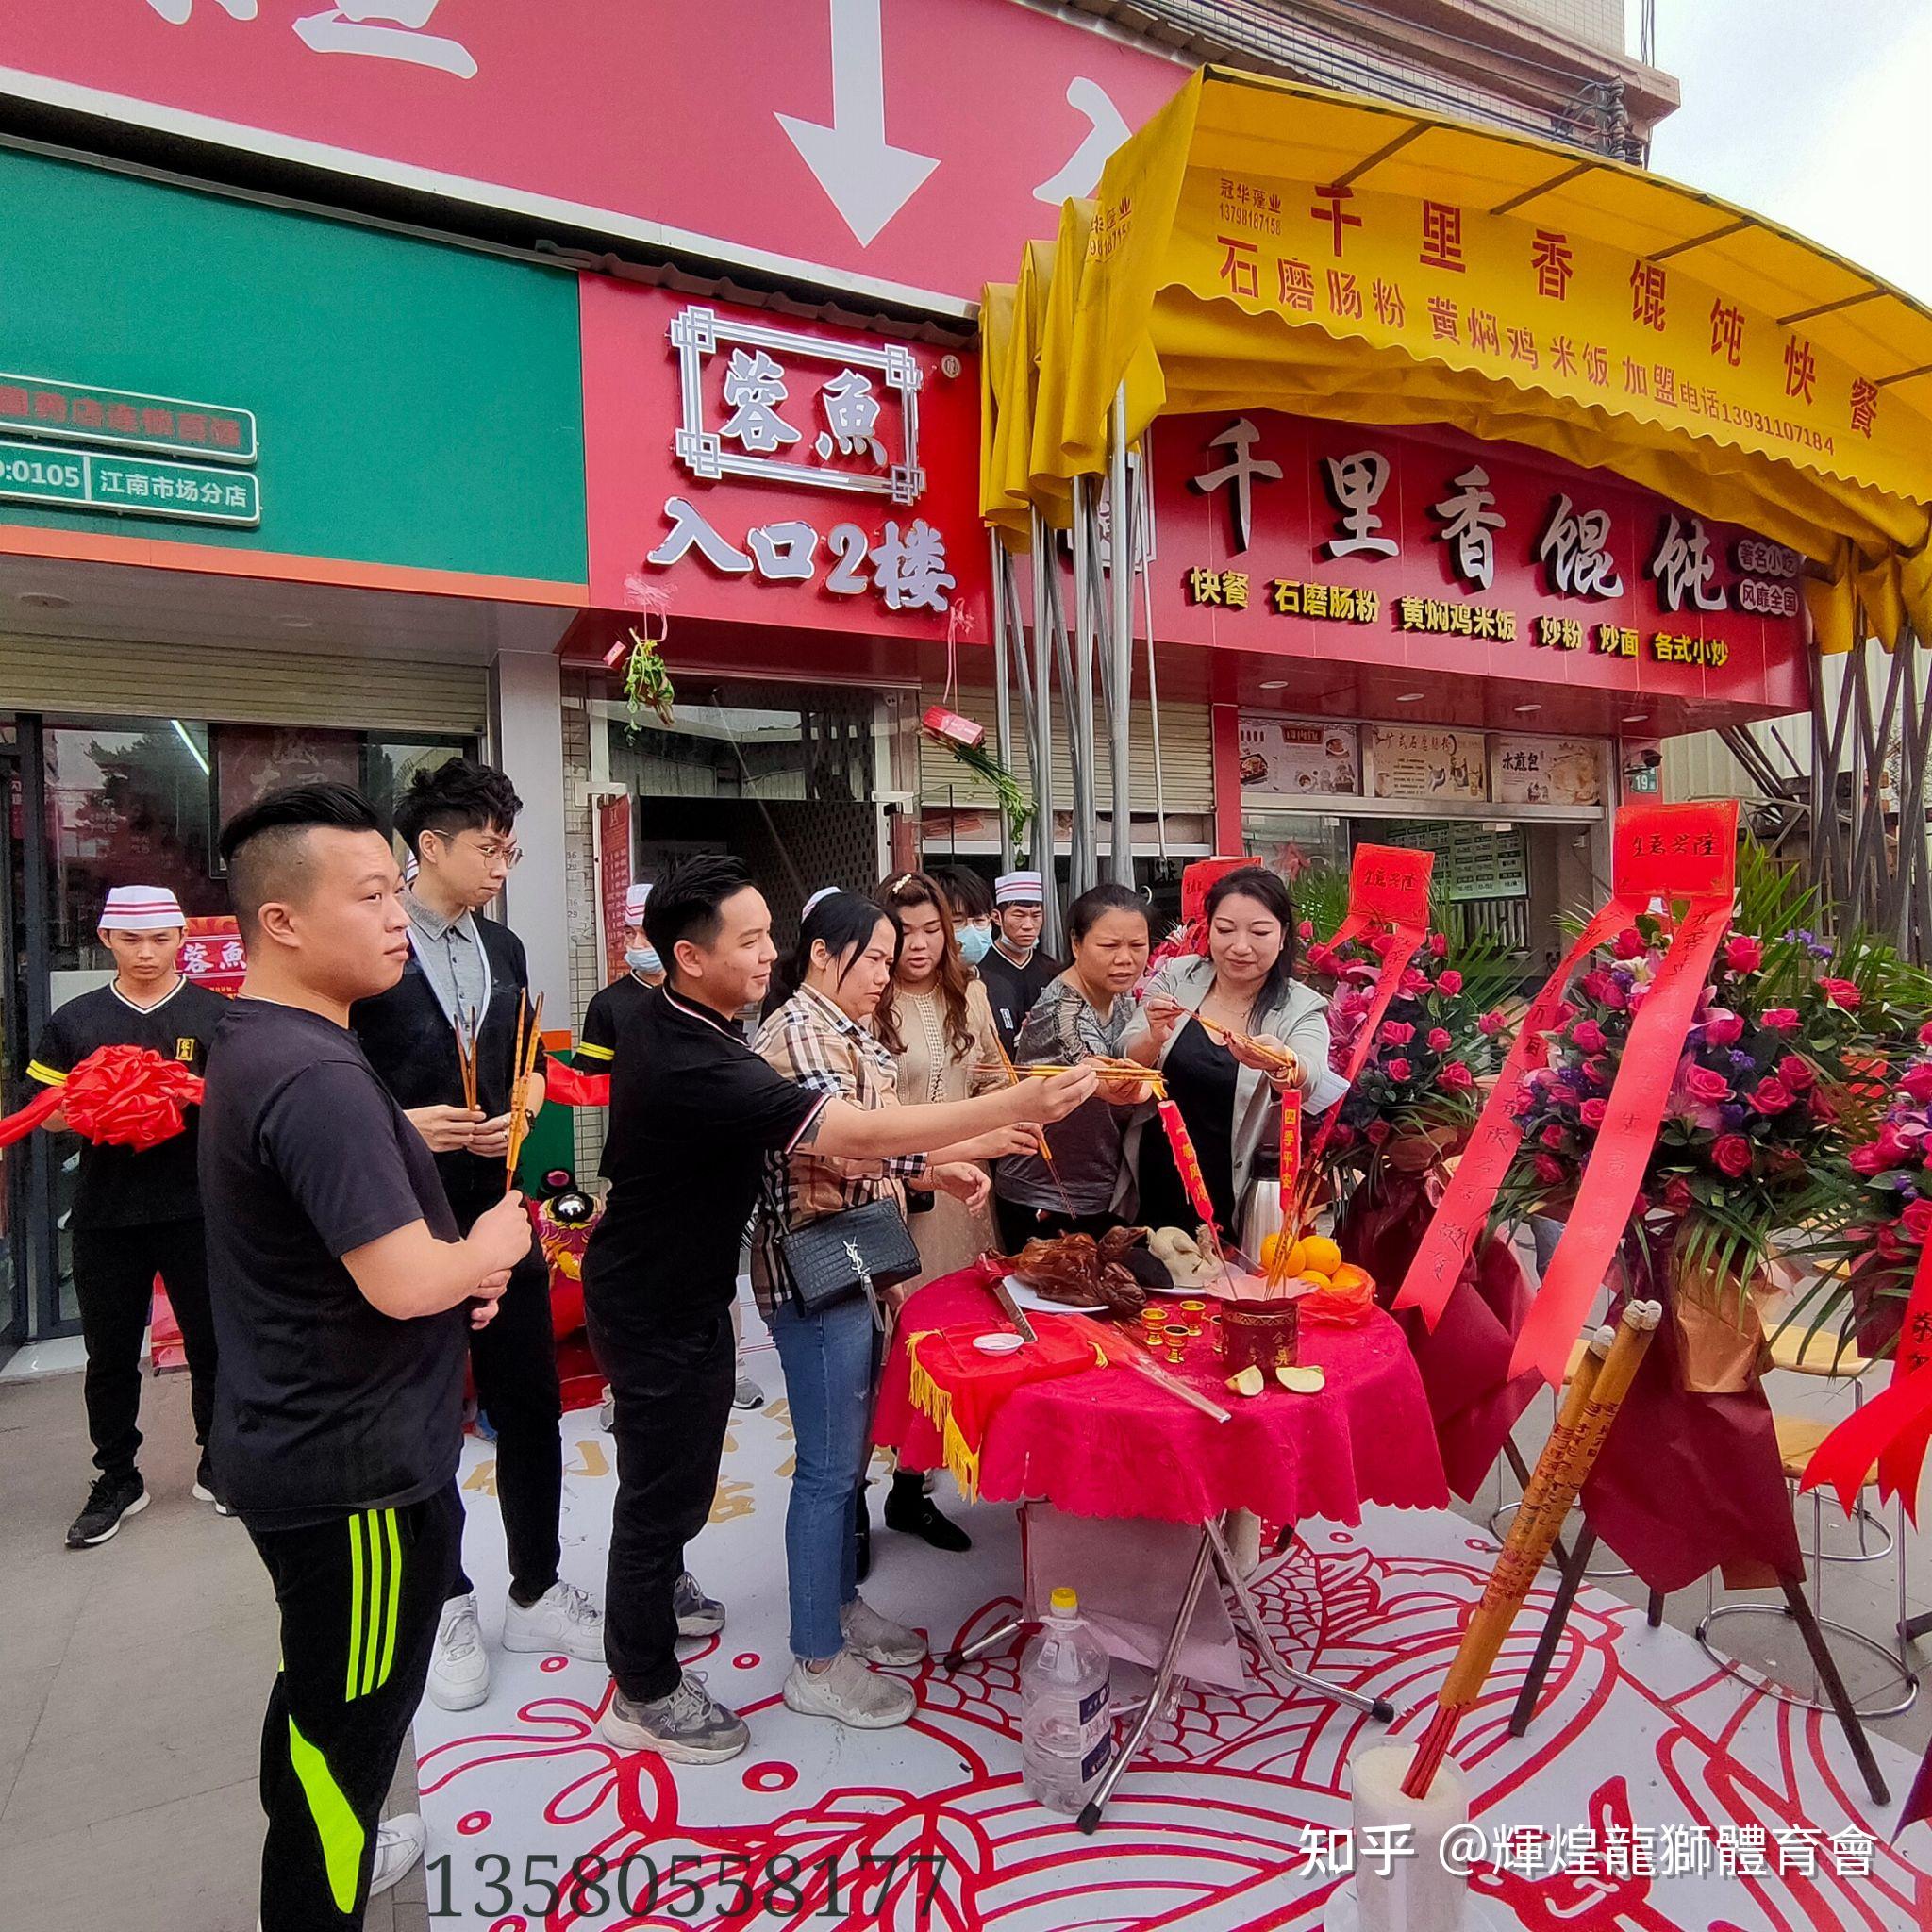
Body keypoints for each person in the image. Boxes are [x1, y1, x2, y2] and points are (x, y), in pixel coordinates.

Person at [581, 854, 1094, 1765]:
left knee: (703, 1479)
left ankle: (771, 1610)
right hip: (669, 1298)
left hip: (695, 1291)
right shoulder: (700, 1050)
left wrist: (957, 1146)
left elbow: (859, 1143)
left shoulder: (707, 1024)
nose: (771, 953)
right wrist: (1011, 1103)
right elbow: (848, 1137)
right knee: (670, 1495)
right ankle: (646, 1686)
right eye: (751, 941)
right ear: (690, 956)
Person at [201, 782, 534, 1928]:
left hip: (305, 1439)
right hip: (354, 1473)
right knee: (353, 1721)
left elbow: (359, 1260)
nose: (400, 917)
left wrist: (452, 1285)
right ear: (281, 919)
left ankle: (323, 1835)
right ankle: (318, 1892)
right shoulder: (315, 1076)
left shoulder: (265, 1040)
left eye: (396, 889)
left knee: (320, 1693)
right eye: (372, 894)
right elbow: (400, 1277)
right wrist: (489, 1242)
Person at [349, 758, 599, 1715]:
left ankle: (534, 1585)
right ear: (430, 846)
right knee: (422, 1414)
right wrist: (404, 1122)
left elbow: (523, 1059)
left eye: (510, 846)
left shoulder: (504, 949)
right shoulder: (373, 946)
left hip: (499, 1207)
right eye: (488, 846)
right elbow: (335, 1074)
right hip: (403, 1212)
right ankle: (446, 1596)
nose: (502, 863)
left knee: (528, 1399)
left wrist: (524, 1100)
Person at [750, 891, 1029, 1729]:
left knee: (846, 1461)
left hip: (854, 1259)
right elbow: (849, 1141)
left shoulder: (841, 1029)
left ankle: (840, 1612)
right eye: (873, 956)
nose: (884, 971)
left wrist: (934, 1173)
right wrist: (977, 1136)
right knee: (829, 1469)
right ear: (824, 954)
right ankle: (815, 1657)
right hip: (813, 1272)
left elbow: (871, 1145)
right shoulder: (801, 1032)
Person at [26, 885, 230, 1547]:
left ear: (181, 939)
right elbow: (44, 1113)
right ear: (108, 939)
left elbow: (239, 1107)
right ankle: (118, 1476)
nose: (147, 953)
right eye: (132, 939)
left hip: (196, 1208)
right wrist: (100, 1103)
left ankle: (219, 1460)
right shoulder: (75, 1022)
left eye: (161, 938)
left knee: (214, 1345)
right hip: (106, 1215)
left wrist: (177, 1095)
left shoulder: (215, 1015)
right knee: (109, 1355)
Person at [578, 881, 766, 1414]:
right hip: (640, 1158)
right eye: (632, 932)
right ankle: (623, 1387)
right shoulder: (611, 1004)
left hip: (708, 1164)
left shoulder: (718, 1003)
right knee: (645, 1269)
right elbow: (591, 1078)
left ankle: (736, 1370)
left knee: (714, 1266)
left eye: (644, 930)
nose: (638, 942)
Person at [871, 870, 1008, 1556]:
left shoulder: (970, 993)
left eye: (932, 930)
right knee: (894, 1344)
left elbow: (988, 1076)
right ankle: (846, 1507)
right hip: (903, 1195)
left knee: (952, 1341)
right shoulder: (870, 1001)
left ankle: (910, 1487)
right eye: (903, 931)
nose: (918, 945)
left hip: (968, 1196)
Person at [1124, 865, 1344, 1246]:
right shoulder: (1177, 976)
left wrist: (1281, 1062)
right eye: (1225, 930)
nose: (1240, 946)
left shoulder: (1300, 1006)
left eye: (1259, 932)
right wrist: (1154, 1035)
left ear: (1282, 936)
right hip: (1157, 1176)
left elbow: (1308, 1075)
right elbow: (1125, 1054)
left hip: (1236, 1189)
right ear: (1207, 930)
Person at [994, 883, 1155, 1248]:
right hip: (1044, 1196)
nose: (1126, 959)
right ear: (1076, 944)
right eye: (1109, 946)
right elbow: (1112, 1085)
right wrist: (1157, 1046)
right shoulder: (1061, 1012)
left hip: (1099, 1189)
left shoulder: (1122, 997)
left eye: (1137, 945)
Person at [977, 868, 1062, 1054]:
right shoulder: (981, 969)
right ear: (997, 918)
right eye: (1019, 915)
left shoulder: (1051, 970)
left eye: (1036, 915)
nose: (1028, 926)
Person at [928, 864, 997, 970]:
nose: (972, 931)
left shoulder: (999, 984)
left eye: (979, 920)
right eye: (957, 921)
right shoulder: (915, 985)